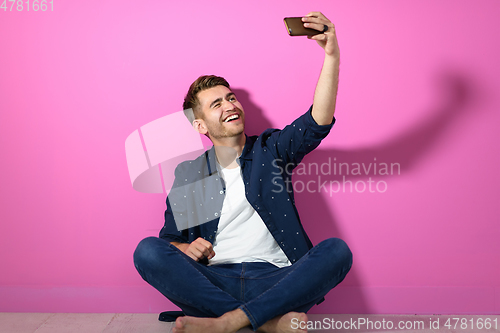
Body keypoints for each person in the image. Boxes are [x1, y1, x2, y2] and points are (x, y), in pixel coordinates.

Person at [133, 12, 352, 333]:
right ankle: (266, 321)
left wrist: (331, 54)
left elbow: (317, 121)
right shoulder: (190, 174)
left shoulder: (272, 149)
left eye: (230, 97)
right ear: (200, 125)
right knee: (147, 251)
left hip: (278, 280)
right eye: (216, 104)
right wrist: (185, 248)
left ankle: (229, 321)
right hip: (213, 281)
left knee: (336, 251)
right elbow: (169, 241)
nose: (229, 105)